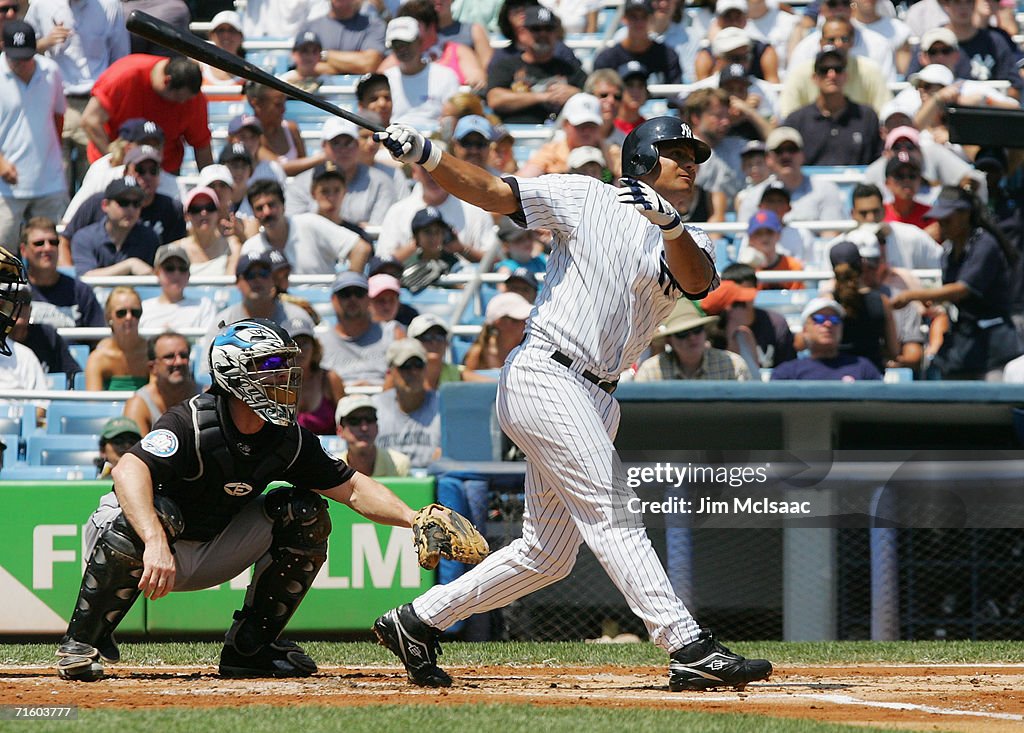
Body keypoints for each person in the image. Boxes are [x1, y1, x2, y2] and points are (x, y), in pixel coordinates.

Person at [370, 115, 772, 689]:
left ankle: (417, 619)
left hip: (599, 395)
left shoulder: (689, 236)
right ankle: (685, 643)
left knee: (547, 554)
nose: (689, 164)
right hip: (548, 372)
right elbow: (494, 192)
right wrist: (428, 155)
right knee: (612, 509)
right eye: (677, 153)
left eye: (694, 157)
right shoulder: (586, 196)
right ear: (641, 158)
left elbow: (697, 282)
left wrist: (669, 223)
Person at [54, 318, 446, 682]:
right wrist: (154, 540)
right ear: (234, 372)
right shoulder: (191, 421)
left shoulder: (285, 436)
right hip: (139, 544)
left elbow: (354, 488)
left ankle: (250, 648)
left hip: (208, 546)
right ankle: (81, 642)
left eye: (285, 366)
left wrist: (415, 518)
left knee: (305, 512)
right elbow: (127, 470)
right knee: (160, 511)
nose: (284, 376)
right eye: (270, 366)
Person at [891, 186, 1023, 381]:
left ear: (965, 214)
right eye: (939, 220)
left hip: (993, 343)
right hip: (964, 341)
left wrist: (911, 295)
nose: (941, 225)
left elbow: (961, 289)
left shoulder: (985, 245)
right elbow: (951, 296)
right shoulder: (948, 253)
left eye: (947, 219)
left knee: (992, 394)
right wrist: (933, 304)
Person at [23, 0, 130, 192]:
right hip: (55, 101)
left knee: (92, 180)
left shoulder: (110, 6)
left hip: (94, 103)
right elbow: (23, 50)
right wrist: (46, 42)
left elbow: (121, 60)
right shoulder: (41, 4)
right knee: (57, 180)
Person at [0, 21, 68, 252]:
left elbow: (58, 117)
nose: (21, 63)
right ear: (4, 48)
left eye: (26, 57)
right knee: (4, 257)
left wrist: (53, 156)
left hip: (50, 183)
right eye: (15, 58)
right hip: (6, 188)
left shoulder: (51, 71)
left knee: (51, 251)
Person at [81, 54, 212, 173]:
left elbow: (201, 144)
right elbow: (90, 120)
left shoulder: (193, 98)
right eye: (179, 98)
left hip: (162, 172)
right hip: (112, 167)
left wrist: (211, 182)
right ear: (167, 81)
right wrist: (116, 163)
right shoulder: (125, 76)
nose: (183, 102)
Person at [241, 179, 372, 276]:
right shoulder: (251, 248)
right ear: (253, 213)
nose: (267, 212)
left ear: (283, 205)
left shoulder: (310, 223)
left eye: (272, 205)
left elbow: (361, 248)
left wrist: (348, 288)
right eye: (259, 208)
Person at [485, 4, 587, 125]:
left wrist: (576, 95)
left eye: (549, 28)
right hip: (516, 133)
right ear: (522, 33)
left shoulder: (570, 68)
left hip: (560, 133)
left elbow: (594, 95)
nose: (543, 34)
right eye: (536, 29)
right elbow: (495, 99)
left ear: (556, 33)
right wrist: (544, 96)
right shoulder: (506, 66)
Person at [781, 47, 882, 167]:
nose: (831, 75)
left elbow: (878, 161)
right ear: (814, 78)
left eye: (838, 69)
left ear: (846, 76)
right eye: (824, 70)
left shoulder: (867, 117)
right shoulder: (797, 120)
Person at [320, 271, 405, 387]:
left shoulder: (392, 333)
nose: (353, 299)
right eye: (345, 294)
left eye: (359, 293)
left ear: (368, 299)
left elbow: (407, 375)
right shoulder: (320, 342)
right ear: (333, 300)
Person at [634, 299, 751, 381]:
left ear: (705, 332)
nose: (692, 337)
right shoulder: (650, 371)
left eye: (697, 330)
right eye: (682, 333)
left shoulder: (733, 365)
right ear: (669, 341)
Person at [771, 297, 883, 381]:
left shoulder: (864, 369)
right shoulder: (786, 374)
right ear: (805, 330)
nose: (828, 324)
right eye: (819, 319)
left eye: (834, 319)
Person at [21, 216, 104, 329]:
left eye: (53, 242)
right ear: (23, 250)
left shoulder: (81, 291)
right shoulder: (14, 290)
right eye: (39, 243)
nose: (47, 248)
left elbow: (98, 337)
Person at [70, 177, 161, 277]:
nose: (131, 209)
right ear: (105, 205)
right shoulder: (85, 238)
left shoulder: (149, 238)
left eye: (136, 203)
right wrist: (129, 265)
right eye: (123, 202)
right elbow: (85, 277)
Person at [373, 338, 441, 468]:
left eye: (418, 365)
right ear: (391, 371)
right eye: (406, 366)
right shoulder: (374, 408)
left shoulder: (442, 406)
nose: (414, 372)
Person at [122, 332, 199, 436]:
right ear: (153, 367)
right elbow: (133, 445)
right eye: (169, 357)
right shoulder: (139, 405)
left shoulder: (205, 396)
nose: (178, 362)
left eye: (183, 355)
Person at [282, 316, 346, 437]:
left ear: (314, 347)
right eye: (294, 343)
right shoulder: (273, 381)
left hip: (328, 447)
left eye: (305, 343)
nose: (300, 350)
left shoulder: (330, 379)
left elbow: (347, 420)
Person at [592, 0, 681, 84]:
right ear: (624, 19)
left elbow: (676, 92)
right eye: (633, 17)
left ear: (651, 18)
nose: (639, 23)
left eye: (643, 17)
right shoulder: (607, 59)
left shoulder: (667, 56)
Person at [137, 244, 217, 332]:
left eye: (182, 268)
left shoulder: (204, 306)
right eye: (169, 268)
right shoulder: (142, 309)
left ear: (189, 274)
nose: (177, 274)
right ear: (157, 273)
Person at [85, 285, 149, 391]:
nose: (129, 317)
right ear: (108, 317)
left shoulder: (151, 355)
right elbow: (93, 400)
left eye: (135, 312)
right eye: (121, 313)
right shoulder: (98, 358)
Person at [169, 186, 243, 277]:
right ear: (186, 216)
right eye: (196, 209)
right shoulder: (174, 249)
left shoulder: (232, 246)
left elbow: (231, 283)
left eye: (210, 207)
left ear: (218, 212)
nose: (204, 213)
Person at [334, 394, 411, 477]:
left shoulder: (399, 464)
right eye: (354, 420)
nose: (364, 427)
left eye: (370, 418)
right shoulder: (332, 469)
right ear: (340, 431)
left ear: (377, 426)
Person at [302, 0, 386, 76]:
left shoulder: (373, 25)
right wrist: (352, 66)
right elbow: (305, 67)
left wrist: (324, 55)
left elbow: (369, 64)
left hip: (358, 87)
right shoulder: (310, 28)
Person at [463, 291, 531, 376]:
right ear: (499, 323)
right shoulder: (477, 354)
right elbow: (466, 377)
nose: (525, 323)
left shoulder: (530, 350)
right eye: (517, 320)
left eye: (527, 319)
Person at [409, 313, 463, 388]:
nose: (434, 342)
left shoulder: (458, 373)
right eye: (426, 337)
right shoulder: (400, 374)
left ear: (447, 343)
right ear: (411, 343)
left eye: (439, 337)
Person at [201, 10, 245, 86]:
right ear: (211, 36)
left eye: (232, 30)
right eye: (221, 30)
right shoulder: (199, 68)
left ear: (241, 36)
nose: (226, 36)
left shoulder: (252, 73)